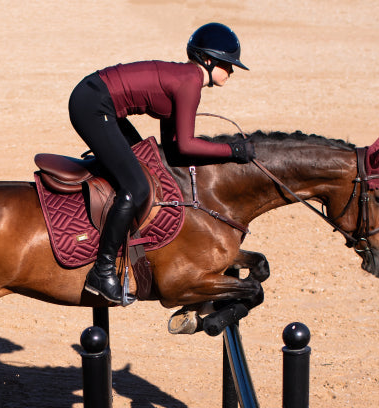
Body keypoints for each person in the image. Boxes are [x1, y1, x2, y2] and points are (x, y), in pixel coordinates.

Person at [68, 22, 254, 305]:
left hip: (99, 100)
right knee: (137, 187)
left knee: (145, 166)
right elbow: (188, 145)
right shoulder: (191, 82)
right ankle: (101, 271)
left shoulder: (186, 78)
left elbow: (175, 150)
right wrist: (232, 150)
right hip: (92, 104)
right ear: (207, 60)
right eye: (227, 65)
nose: (230, 72)